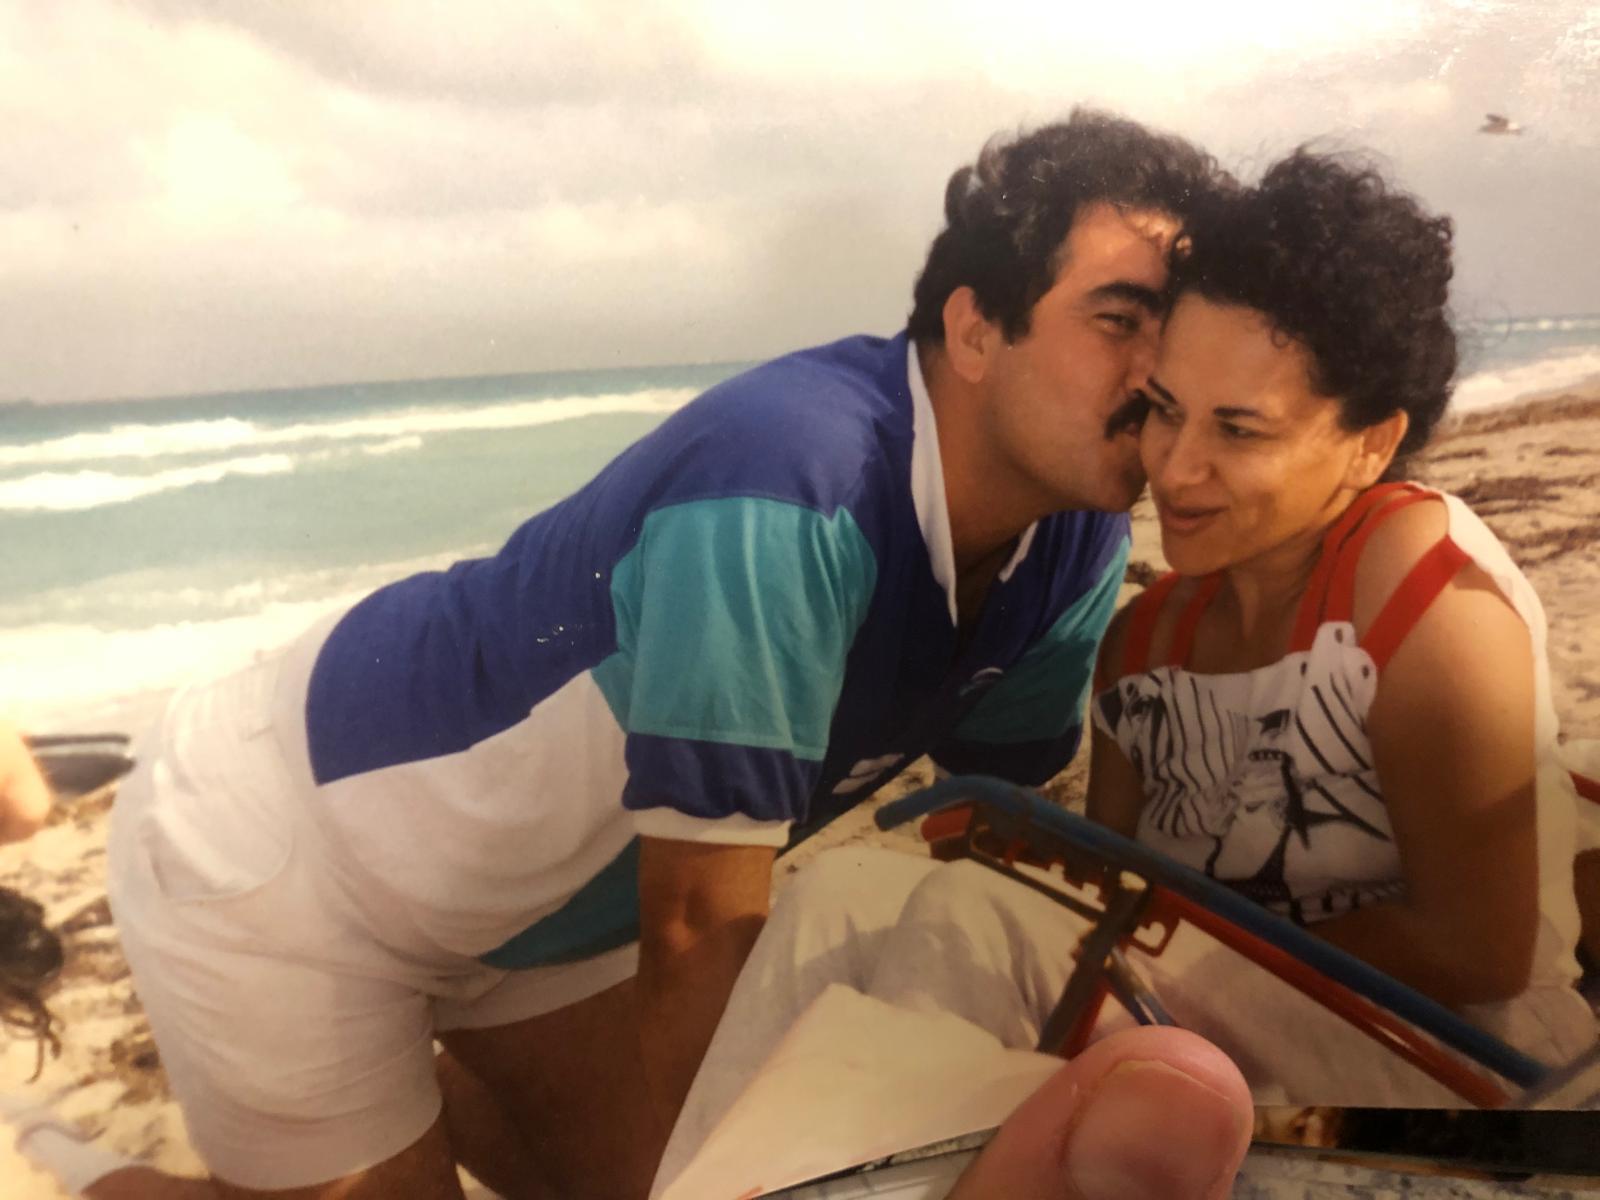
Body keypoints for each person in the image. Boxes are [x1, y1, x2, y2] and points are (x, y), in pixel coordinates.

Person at [98, 109, 1236, 1199]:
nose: (1155, 371)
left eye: (1171, 329)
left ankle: (376, 1116)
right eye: (1118, 318)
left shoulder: (1076, 538)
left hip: (542, 925)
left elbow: (1009, 845)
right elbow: (698, 932)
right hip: (295, 860)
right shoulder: (791, 486)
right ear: (975, 327)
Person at [670, 147, 1594, 1130]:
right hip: (1225, 1033)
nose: (1175, 466)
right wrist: (1131, 921)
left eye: (1238, 431)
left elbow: (1482, 948)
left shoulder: (1416, 589)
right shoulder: (1147, 648)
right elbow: (1112, 888)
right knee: (835, 900)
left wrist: (1160, 932)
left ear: (1368, 444)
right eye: (1163, 411)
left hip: (1469, 1072)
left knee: (990, 927)